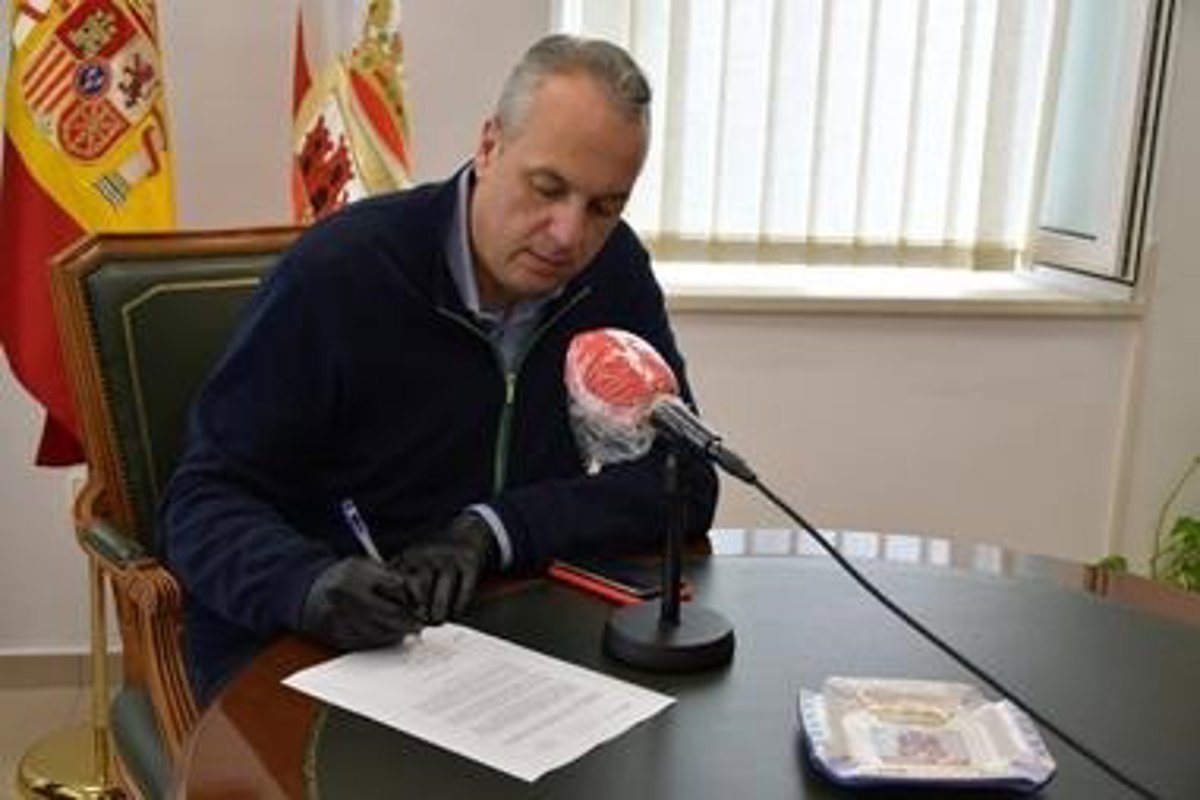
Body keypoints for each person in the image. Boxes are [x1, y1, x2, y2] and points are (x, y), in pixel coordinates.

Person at [163, 34, 718, 703]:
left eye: (605, 207)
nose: (569, 235)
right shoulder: (340, 273)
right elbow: (204, 501)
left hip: (511, 638)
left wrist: (492, 530)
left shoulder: (612, 270)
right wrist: (306, 585)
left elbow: (682, 480)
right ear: (489, 146)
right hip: (314, 642)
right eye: (548, 188)